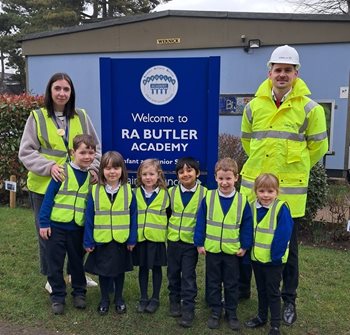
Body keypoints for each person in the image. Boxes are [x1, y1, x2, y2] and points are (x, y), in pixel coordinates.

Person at [240, 45, 328, 325]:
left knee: (288, 253)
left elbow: (318, 149)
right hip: (256, 191)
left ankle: (289, 300)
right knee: (253, 245)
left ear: (296, 73)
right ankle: (255, 296)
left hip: (289, 195)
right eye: (277, 69)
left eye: (287, 70)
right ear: (269, 72)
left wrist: (294, 172)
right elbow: (247, 142)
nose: (282, 74)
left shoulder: (310, 109)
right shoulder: (254, 106)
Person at [18, 73, 101, 292]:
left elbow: (96, 148)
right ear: (50, 91)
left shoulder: (81, 116)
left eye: (66, 89)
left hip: (76, 188)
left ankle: (75, 274)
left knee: (78, 233)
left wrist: (93, 168)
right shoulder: (36, 117)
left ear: (71, 92)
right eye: (58, 88)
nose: (62, 93)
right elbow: (26, 152)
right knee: (47, 234)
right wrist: (49, 167)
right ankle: (51, 277)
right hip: (44, 186)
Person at [39, 134, 96, 315]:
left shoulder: (90, 177)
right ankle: (58, 296)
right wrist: (44, 223)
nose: (87, 156)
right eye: (82, 152)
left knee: (77, 263)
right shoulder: (62, 172)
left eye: (91, 152)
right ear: (73, 153)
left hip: (77, 229)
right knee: (55, 263)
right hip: (56, 227)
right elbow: (48, 199)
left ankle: (79, 293)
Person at [194, 157, 253, 331]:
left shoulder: (242, 201)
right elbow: (201, 222)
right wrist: (199, 242)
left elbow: (247, 225)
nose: (224, 182)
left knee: (231, 283)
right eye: (221, 178)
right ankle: (215, 311)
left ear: (236, 178)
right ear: (215, 178)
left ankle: (231, 312)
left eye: (228, 178)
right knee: (213, 282)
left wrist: (245, 245)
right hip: (212, 250)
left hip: (232, 252)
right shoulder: (209, 197)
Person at [83, 151, 137, 316]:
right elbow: (89, 217)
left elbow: (134, 216)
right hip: (102, 239)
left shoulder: (129, 191)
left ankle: (119, 299)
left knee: (119, 272)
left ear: (122, 170)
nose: (112, 172)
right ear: (102, 171)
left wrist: (132, 238)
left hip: (121, 240)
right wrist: (88, 240)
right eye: (107, 168)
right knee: (104, 272)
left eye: (116, 168)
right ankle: (104, 299)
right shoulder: (95, 191)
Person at [245, 173, 294, 335]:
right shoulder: (251, 206)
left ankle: (275, 325)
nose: (266, 195)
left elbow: (284, 234)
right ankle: (261, 316)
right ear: (256, 191)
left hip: (274, 261)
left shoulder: (281, 208)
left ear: (277, 192)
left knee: (273, 292)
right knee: (261, 289)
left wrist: (276, 256)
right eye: (262, 191)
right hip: (257, 259)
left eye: (270, 191)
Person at [167, 157, 207, 328]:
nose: (185, 174)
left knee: (188, 276)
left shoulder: (205, 194)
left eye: (189, 170)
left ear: (197, 173)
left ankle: (188, 307)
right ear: (177, 175)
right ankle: (174, 301)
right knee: (173, 274)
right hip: (173, 241)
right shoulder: (171, 192)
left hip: (191, 244)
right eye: (181, 171)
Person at [132, 159, 170, 314]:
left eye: (152, 174)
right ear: (140, 176)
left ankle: (155, 298)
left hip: (156, 239)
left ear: (158, 175)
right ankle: (143, 297)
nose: (148, 177)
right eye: (145, 174)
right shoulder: (134, 193)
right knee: (142, 268)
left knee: (156, 268)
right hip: (141, 238)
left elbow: (169, 215)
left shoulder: (165, 195)